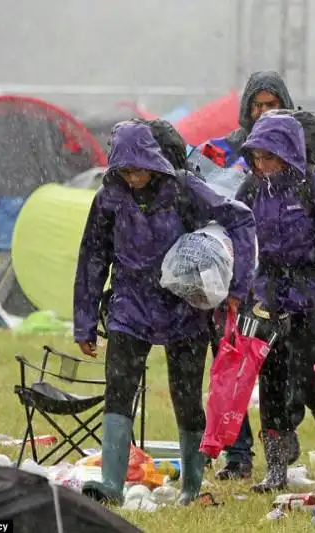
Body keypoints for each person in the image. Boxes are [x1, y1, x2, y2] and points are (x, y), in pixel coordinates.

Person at [73, 120, 256, 506]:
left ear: (153, 163)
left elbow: (239, 218)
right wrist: (85, 321)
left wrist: (236, 287)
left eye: (138, 169)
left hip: (182, 309)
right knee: (119, 391)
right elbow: (93, 257)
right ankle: (111, 484)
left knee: (186, 396)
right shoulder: (109, 197)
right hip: (128, 307)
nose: (133, 178)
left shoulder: (184, 189)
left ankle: (191, 486)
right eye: (125, 171)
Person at [235, 112, 315, 492]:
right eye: (256, 157)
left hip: (314, 294)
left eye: (269, 157)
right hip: (270, 295)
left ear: (287, 153)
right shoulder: (251, 191)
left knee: (306, 373)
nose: (262, 165)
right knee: (269, 378)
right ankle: (275, 469)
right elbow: (235, 238)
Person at [200, 70, 296, 482]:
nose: (263, 112)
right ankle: (237, 454)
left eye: (271, 104)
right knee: (230, 360)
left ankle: (283, 433)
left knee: (282, 366)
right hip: (234, 270)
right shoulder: (227, 150)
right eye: (257, 105)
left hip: (283, 274)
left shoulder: (300, 149)